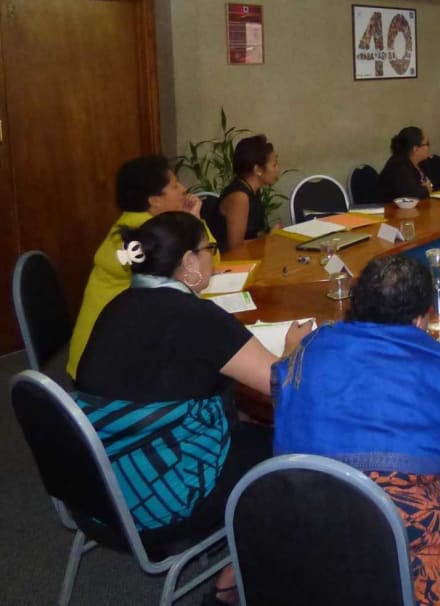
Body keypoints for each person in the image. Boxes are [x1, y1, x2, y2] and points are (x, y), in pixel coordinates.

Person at [74, 211, 311, 605]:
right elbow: (282, 385)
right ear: (188, 263)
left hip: (96, 486)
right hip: (159, 499)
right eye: (209, 250)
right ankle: (231, 582)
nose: (213, 259)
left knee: (243, 421)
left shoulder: (117, 306)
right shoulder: (195, 317)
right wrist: (292, 348)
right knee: (297, 456)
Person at [272, 254, 440, 606]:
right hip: (410, 567)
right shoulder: (436, 366)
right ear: (420, 319)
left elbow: (280, 390)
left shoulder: (308, 350)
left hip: (310, 547)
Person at [67, 155, 215, 379]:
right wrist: (193, 223)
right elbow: (206, 265)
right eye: (174, 185)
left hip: (100, 356)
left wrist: (192, 222)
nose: (184, 189)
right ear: (155, 201)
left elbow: (208, 260)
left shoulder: (137, 225)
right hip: (105, 370)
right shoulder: (149, 237)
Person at [204, 134, 280, 252]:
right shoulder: (239, 197)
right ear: (258, 170)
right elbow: (235, 247)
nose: (277, 169)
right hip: (228, 259)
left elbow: (251, 235)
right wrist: (268, 238)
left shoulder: (253, 190)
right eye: (274, 165)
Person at [377, 126, 433, 202]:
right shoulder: (398, 165)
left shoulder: (422, 163)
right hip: (390, 208)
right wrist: (426, 190)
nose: (429, 147)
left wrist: (425, 189)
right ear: (415, 149)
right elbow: (411, 195)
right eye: (427, 144)